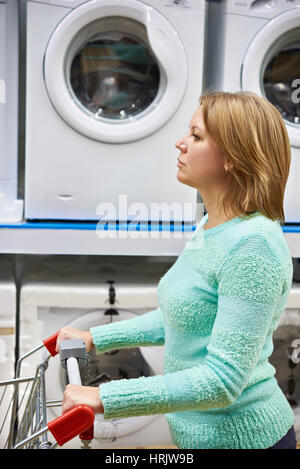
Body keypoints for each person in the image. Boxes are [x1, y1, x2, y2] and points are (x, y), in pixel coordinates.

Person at [56, 91, 297, 449]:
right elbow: (182, 316)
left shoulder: (254, 247)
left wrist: (105, 398)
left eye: (196, 136)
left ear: (232, 157)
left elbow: (222, 381)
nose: (179, 144)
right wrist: (97, 338)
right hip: (197, 438)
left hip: (245, 440)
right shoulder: (212, 226)